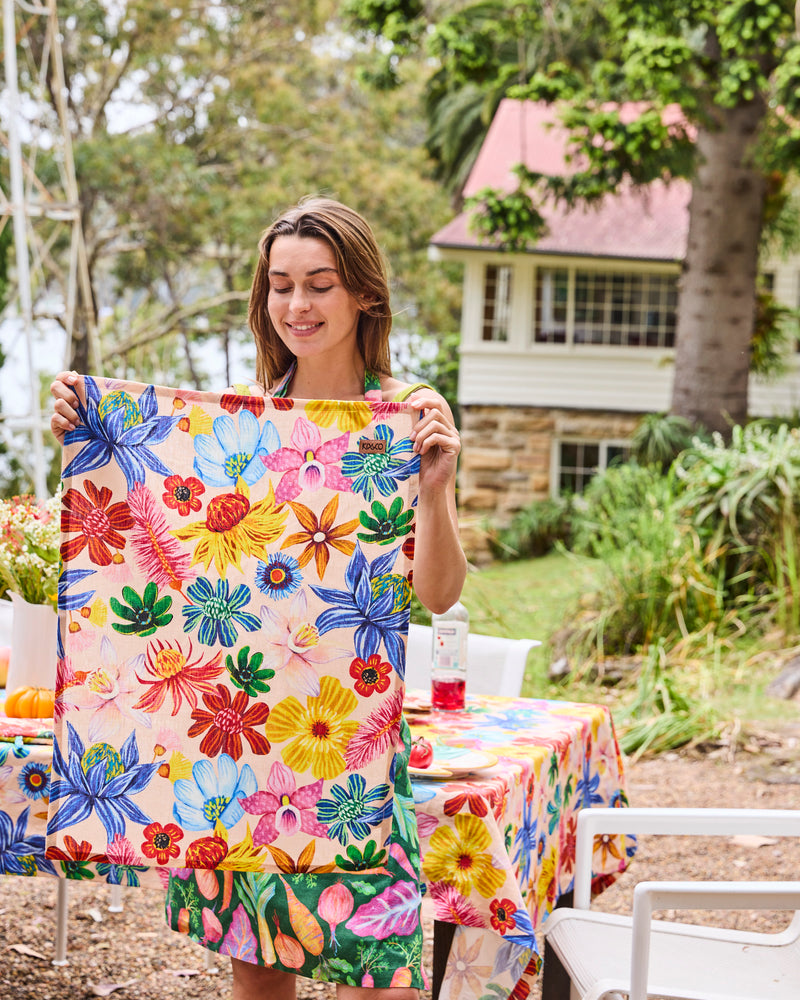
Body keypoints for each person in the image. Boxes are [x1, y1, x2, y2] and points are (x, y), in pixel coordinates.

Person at [49, 196, 467, 1000]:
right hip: (238, 752)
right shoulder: (241, 421)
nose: (297, 305)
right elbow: (163, 551)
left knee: (380, 983)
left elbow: (440, 595)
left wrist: (436, 486)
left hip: (354, 759)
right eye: (281, 286)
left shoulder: (405, 415)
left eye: (319, 284)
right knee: (260, 978)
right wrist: (86, 431)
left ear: (364, 294)